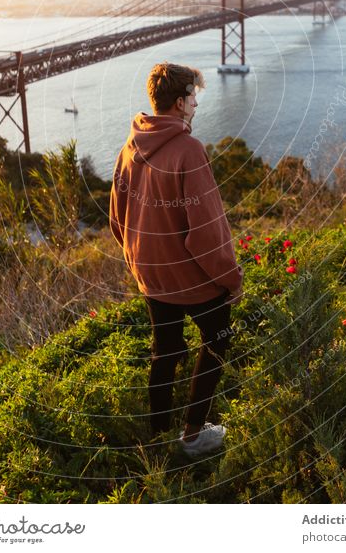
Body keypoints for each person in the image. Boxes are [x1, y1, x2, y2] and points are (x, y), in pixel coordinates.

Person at [109, 61, 244, 457]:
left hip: (151, 276)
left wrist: (140, 260)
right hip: (194, 279)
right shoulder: (189, 150)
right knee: (218, 343)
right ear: (182, 102)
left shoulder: (128, 148)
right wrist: (231, 279)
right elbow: (205, 231)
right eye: (195, 99)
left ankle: (156, 441)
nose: (197, 106)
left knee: (165, 351)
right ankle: (191, 435)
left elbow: (117, 218)